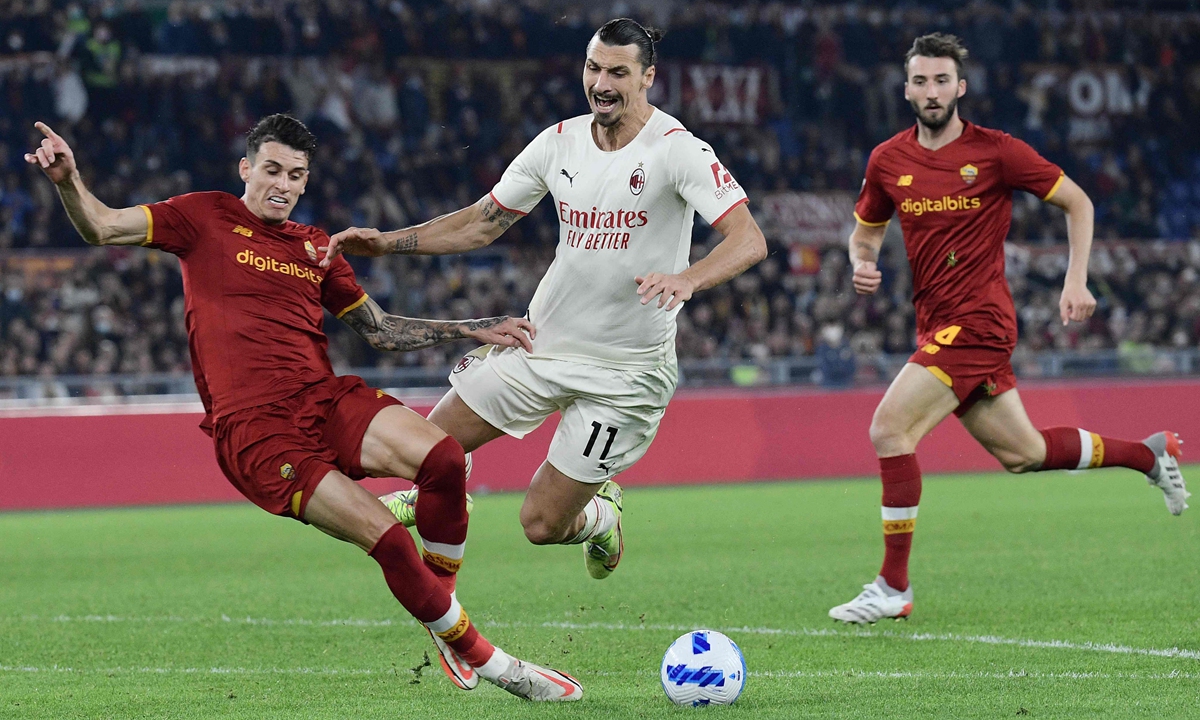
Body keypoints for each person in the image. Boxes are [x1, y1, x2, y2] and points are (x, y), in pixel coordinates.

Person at [25, 114, 582, 701]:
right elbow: (104, 226)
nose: (282, 185)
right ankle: (496, 665)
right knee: (390, 539)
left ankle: (440, 613)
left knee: (444, 458)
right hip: (258, 431)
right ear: (246, 169)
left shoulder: (315, 246)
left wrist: (472, 328)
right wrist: (69, 180)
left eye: (296, 175)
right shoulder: (203, 216)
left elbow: (383, 330)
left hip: (321, 398)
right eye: (271, 170)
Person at [321, 18, 767, 581]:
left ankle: (601, 517)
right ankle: (443, 489)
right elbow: (483, 224)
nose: (601, 83)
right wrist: (387, 244)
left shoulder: (678, 151)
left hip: (623, 375)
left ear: (648, 77)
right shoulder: (559, 142)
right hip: (541, 345)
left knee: (541, 523)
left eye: (618, 72)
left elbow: (749, 239)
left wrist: (689, 279)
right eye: (593, 68)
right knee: (424, 450)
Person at [828, 34, 1189, 624]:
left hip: (980, 323)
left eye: (942, 80)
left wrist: (1077, 280)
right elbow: (866, 231)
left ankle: (893, 587)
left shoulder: (996, 152)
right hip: (937, 325)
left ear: (960, 87)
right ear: (906, 89)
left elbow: (1079, 203)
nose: (931, 91)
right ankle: (1147, 455)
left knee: (889, 429)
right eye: (920, 81)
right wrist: (860, 262)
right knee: (1025, 453)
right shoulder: (887, 160)